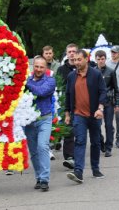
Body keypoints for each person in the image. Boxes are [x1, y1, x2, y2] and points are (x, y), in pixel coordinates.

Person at [65, 49, 107, 183]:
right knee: (80, 141)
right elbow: (68, 95)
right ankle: (78, 172)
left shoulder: (95, 74)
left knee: (95, 142)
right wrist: (67, 113)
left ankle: (95, 168)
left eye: (79, 59)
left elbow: (103, 92)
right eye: (75, 60)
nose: (76, 62)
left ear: (86, 59)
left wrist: (100, 108)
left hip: (94, 114)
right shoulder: (72, 76)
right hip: (78, 115)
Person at [25, 56, 56, 192]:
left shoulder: (50, 81)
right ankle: (38, 177)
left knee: (42, 146)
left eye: (41, 67)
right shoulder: (27, 80)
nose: (38, 69)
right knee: (33, 151)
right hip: (29, 121)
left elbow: (41, 92)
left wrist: (25, 84)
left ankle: (44, 179)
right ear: (33, 66)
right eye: (36, 66)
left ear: (45, 68)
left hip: (45, 118)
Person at [95, 50, 119, 157]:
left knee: (108, 126)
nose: (101, 61)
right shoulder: (92, 72)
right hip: (96, 103)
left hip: (108, 102)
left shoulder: (111, 71)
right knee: (96, 126)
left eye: (102, 59)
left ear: (105, 59)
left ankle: (109, 147)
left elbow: (116, 89)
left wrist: (117, 103)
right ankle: (101, 143)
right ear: (95, 59)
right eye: (99, 59)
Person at [57, 43, 78, 169]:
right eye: (69, 51)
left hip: (81, 102)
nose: (71, 53)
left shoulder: (81, 66)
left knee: (79, 130)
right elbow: (58, 86)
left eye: (74, 51)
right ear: (66, 53)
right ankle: (69, 157)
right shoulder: (61, 69)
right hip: (67, 102)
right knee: (68, 130)